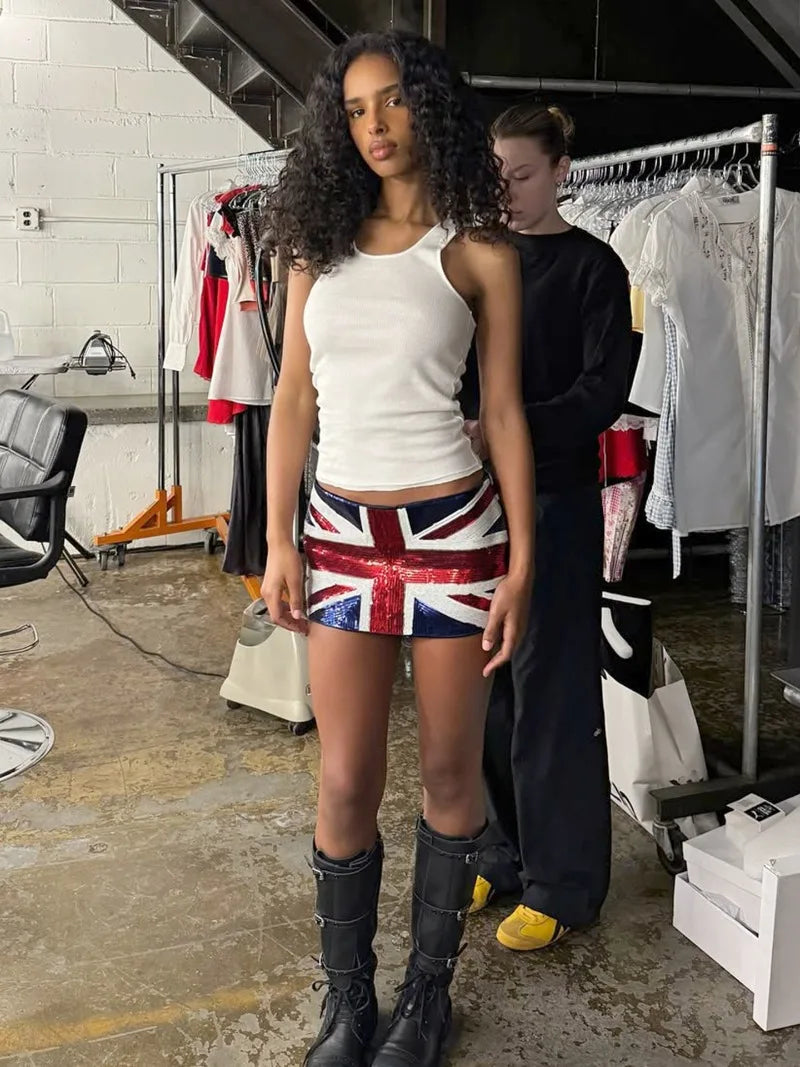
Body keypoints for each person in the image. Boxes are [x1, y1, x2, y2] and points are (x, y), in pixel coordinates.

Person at [261, 31, 535, 1067]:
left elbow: (501, 413)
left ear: (430, 109)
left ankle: (425, 997)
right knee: (342, 780)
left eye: (392, 103)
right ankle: (347, 1003)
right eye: (355, 109)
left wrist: (520, 560)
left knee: (450, 776)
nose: (373, 127)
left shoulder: (478, 250)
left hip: (455, 539)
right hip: (337, 536)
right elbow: (291, 395)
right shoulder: (312, 248)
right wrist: (279, 534)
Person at [463, 105, 632, 950]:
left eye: (523, 176)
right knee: (489, 687)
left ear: (563, 168)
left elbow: (601, 396)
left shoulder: (597, 269)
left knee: (556, 693)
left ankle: (565, 884)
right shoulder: (481, 261)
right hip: (477, 504)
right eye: (496, 177)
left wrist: (505, 425)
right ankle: (501, 848)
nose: (509, 192)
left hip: (560, 503)